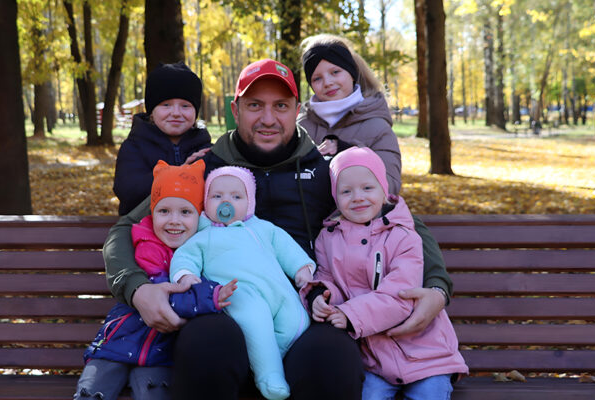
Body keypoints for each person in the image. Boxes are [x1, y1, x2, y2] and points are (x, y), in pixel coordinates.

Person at [104, 58, 451, 400]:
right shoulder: (205, 170)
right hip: (221, 306)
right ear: (236, 109)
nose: (268, 119)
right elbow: (125, 228)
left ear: (297, 110)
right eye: (255, 105)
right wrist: (137, 289)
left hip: (307, 312)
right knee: (205, 345)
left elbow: (399, 220)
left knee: (333, 359)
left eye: (281, 106)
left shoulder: (325, 171)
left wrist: (436, 288)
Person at [302, 147, 468, 399]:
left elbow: (401, 296)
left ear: (383, 190)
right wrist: (320, 297)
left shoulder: (404, 236)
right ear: (335, 197)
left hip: (425, 355)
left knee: (429, 394)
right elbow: (328, 278)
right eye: (346, 191)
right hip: (374, 360)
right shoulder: (329, 238)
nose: (357, 197)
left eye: (367, 188)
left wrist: (349, 314)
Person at [76, 160, 237, 400]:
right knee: (92, 391)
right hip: (117, 343)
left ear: (200, 216)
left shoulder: (198, 255)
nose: (174, 220)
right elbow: (167, 292)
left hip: (161, 352)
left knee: (155, 392)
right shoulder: (143, 244)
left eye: (185, 212)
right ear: (152, 214)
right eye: (164, 211)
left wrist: (210, 293)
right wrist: (210, 296)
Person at [169, 166, 314, 400]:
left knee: (298, 320)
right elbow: (185, 256)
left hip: (278, 291)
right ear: (206, 202)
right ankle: (269, 375)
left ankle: (262, 358)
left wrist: (302, 269)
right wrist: (186, 275)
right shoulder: (204, 235)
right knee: (255, 320)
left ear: (250, 203)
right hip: (239, 293)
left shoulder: (264, 228)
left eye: (236, 197)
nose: (226, 202)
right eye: (217, 196)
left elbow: (287, 248)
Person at [298, 34, 403, 196]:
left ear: (351, 73)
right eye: (317, 78)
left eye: (335, 72)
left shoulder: (377, 126)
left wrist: (347, 152)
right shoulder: (301, 126)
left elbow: (390, 185)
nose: (327, 82)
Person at [113, 62, 212, 215]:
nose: (176, 113)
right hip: (143, 225)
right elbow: (128, 192)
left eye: (185, 106)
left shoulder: (205, 150)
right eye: (166, 105)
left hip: (195, 227)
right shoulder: (134, 147)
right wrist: (181, 173)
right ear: (151, 112)